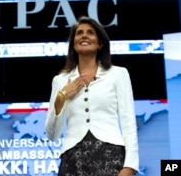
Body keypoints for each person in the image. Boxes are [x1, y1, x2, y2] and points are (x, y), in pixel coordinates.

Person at [45, 16, 139, 176]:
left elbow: (129, 123)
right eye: (79, 33)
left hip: (110, 156)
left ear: (100, 43)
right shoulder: (60, 81)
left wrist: (130, 166)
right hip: (72, 160)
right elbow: (52, 135)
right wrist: (62, 97)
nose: (84, 35)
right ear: (73, 44)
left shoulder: (118, 74)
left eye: (90, 33)